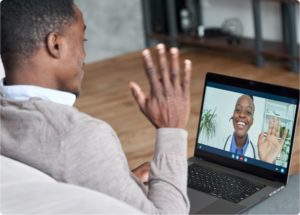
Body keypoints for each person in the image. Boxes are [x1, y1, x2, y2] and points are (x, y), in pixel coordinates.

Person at [0, 0, 192, 214]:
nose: (84, 56)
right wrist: (171, 128)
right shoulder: (81, 137)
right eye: (82, 40)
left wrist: (120, 181)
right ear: (55, 44)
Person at [224, 94, 287, 164]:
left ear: (252, 121)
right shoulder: (216, 143)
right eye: (238, 110)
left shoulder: (259, 154)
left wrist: (267, 162)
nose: (241, 115)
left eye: (248, 112)